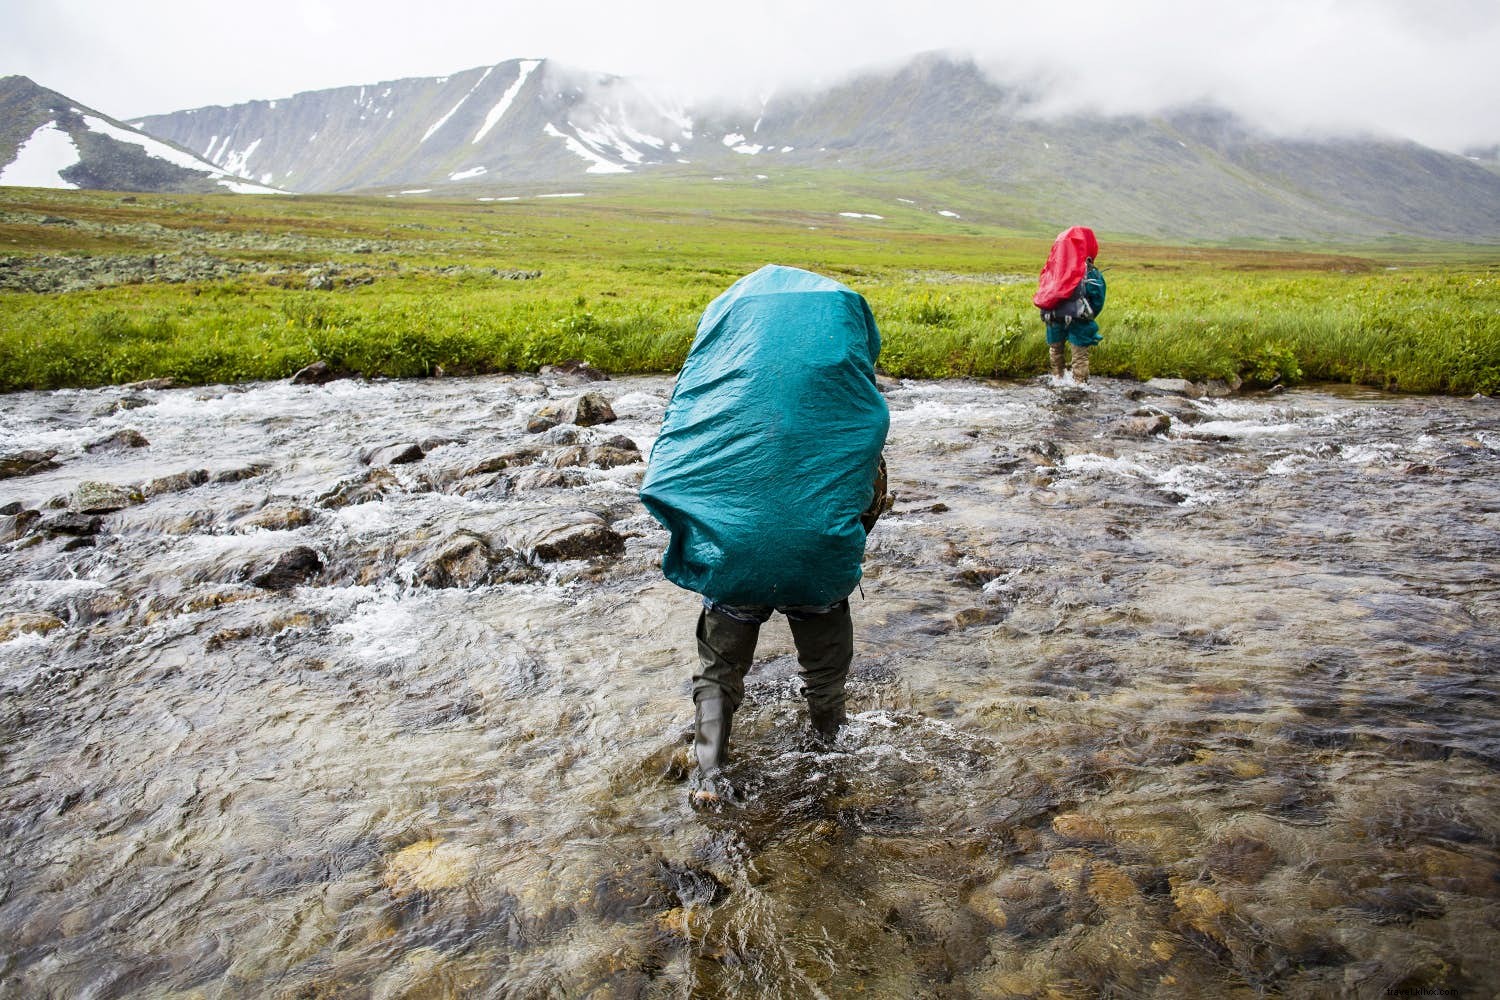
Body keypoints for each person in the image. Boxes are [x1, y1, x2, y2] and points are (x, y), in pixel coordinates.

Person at [639, 265, 892, 803]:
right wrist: (838, 540)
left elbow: (674, 464)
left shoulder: (715, 395)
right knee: (825, 674)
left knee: (720, 669)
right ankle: (829, 759)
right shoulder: (852, 412)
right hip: (818, 562)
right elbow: (869, 496)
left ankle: (709, 770)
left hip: (734, 560)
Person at [1033, 226, 1106, 383]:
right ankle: (1079, 386)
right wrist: (1089, 314)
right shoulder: (1089, 271)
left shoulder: (1051, 269)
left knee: (1055, 350)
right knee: (1079, 356)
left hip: (1052, 316)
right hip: (1079, 318)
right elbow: (1098, 298)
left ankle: (1057, 381)